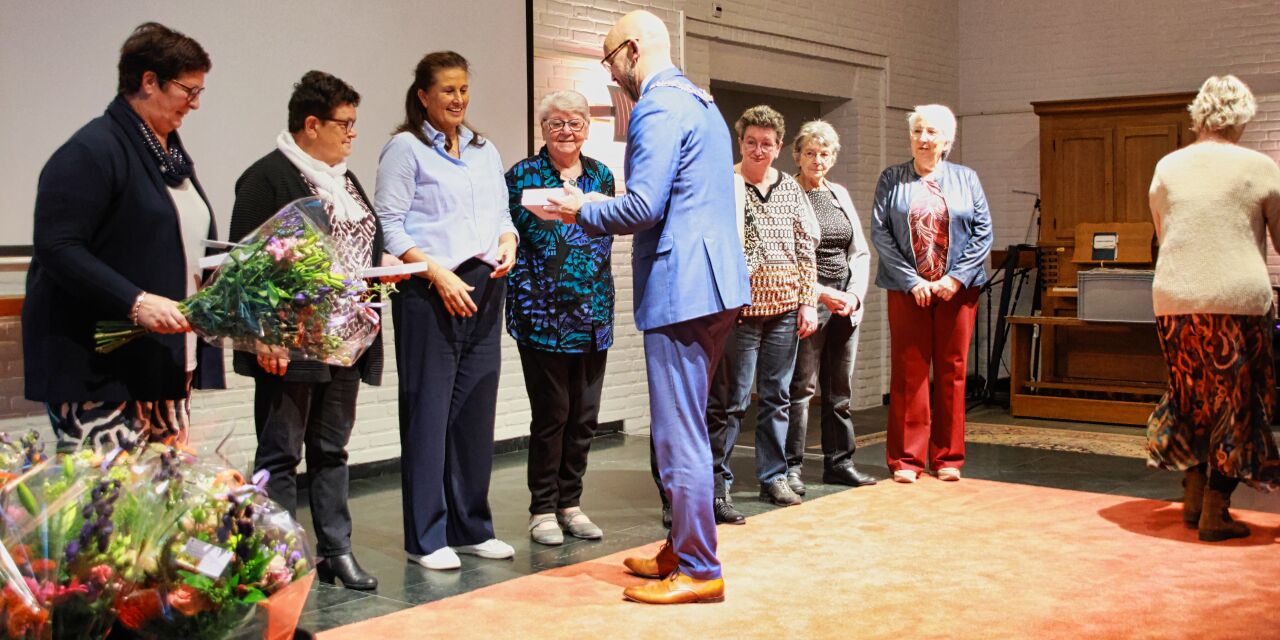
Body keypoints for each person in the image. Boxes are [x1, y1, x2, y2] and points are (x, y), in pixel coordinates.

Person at [547, 10, 750, 605]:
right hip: (715, 286)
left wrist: (575, 207)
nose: (614, 78)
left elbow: (640, 206)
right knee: (684, 425)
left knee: (676, 433)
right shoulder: (702, 102)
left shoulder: (658, 106)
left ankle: (699, 567)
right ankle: (682, 544)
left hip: (681, 288)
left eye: (611, 63)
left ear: (632, 51)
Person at [231, 71, 408, 590]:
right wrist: (263, 334)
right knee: (281, 453)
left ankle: (336, 552)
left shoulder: (343, 179)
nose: (353, 134)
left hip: (346, 341)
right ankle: (277, 560)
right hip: (291, 342)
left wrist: (386, 262)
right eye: (345, 124)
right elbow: (245, 266)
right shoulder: (267, 177)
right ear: (312, 125)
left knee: (332, 451)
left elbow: (358, 245)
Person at [23, 22, 224, 453]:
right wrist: (136, 301)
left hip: (163, 362)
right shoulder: (92, 150)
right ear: (149, 81)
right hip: (101, 369)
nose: (194, 104)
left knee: (167, 507)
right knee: (112, 510)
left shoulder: (168, 155)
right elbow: (57, 247)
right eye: (188, 91)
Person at [376, 51, 519, 571]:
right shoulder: (405, 149)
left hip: (484, 285)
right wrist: (437, 274)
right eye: (447, 91)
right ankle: (426, 539)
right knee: (428, 417)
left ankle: (471, 528)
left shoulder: (483, 150)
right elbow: (390, 225)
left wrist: (509, 239)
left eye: (463, 89)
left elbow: (502, 212)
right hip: (429, 290)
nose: (458, 99)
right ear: (423, 96)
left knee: (473, 417)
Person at [1146, 75, 1280, 542]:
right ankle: (1216, 511)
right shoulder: (1260, 166)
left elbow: (1165, 235)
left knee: (1192, 395)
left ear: (1197, 114)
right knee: (1239, 403)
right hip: (1236, 300)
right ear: (1241, 116)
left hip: (1175, 298)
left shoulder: (1167, 166)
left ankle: (1194, 491)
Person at [505, 90, 615, 546]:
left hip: (593, 313)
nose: (566, 131)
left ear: (587, 128)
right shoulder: (522, 175)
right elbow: (515, 231)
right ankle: (541, 510)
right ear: (543, 129)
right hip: (542, 315)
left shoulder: (602, 175)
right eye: (556, 124)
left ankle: (571, 504)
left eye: (574, 123)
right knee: (552, 415)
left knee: (585, 417)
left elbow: (607, 229)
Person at [870, 104, 991, 484]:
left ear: (946, 140)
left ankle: (947, 457)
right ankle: (907, 459)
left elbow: (983, 233)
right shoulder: (891, 179)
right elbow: (881, 234)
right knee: (910, 370)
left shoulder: (966, 178)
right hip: (909, 291)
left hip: (957, 291)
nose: (923, 139)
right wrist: (913, 281)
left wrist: (954, 278)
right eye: (918, 131)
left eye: (932, 132)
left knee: (953, 371)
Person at [717, 105, 819, 510]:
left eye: (767, 144)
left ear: (778, 148)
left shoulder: (792, 189)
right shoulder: (726, 183)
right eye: (751, 143)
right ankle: (718, 482)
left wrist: (808, 302)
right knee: (733, 401)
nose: (758, 151)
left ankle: (773, 476)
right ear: (740, 143)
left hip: (785, 309)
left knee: (777, 397)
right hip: (741, 311)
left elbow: (804, 251)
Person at [784, 120, 877, 493]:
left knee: (840, 389)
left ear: (833, 157)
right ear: (797, 155)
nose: (817, 160)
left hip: (845, 302)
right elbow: (787, 255)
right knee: (801, 389)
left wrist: (853, 295)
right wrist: (821, 292)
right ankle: (791, 467)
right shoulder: (787, 192)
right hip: (808, 300)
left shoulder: (838, 193)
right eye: (809, 153)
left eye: (824, 154)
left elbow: (860, 251)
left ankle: (839, 462)